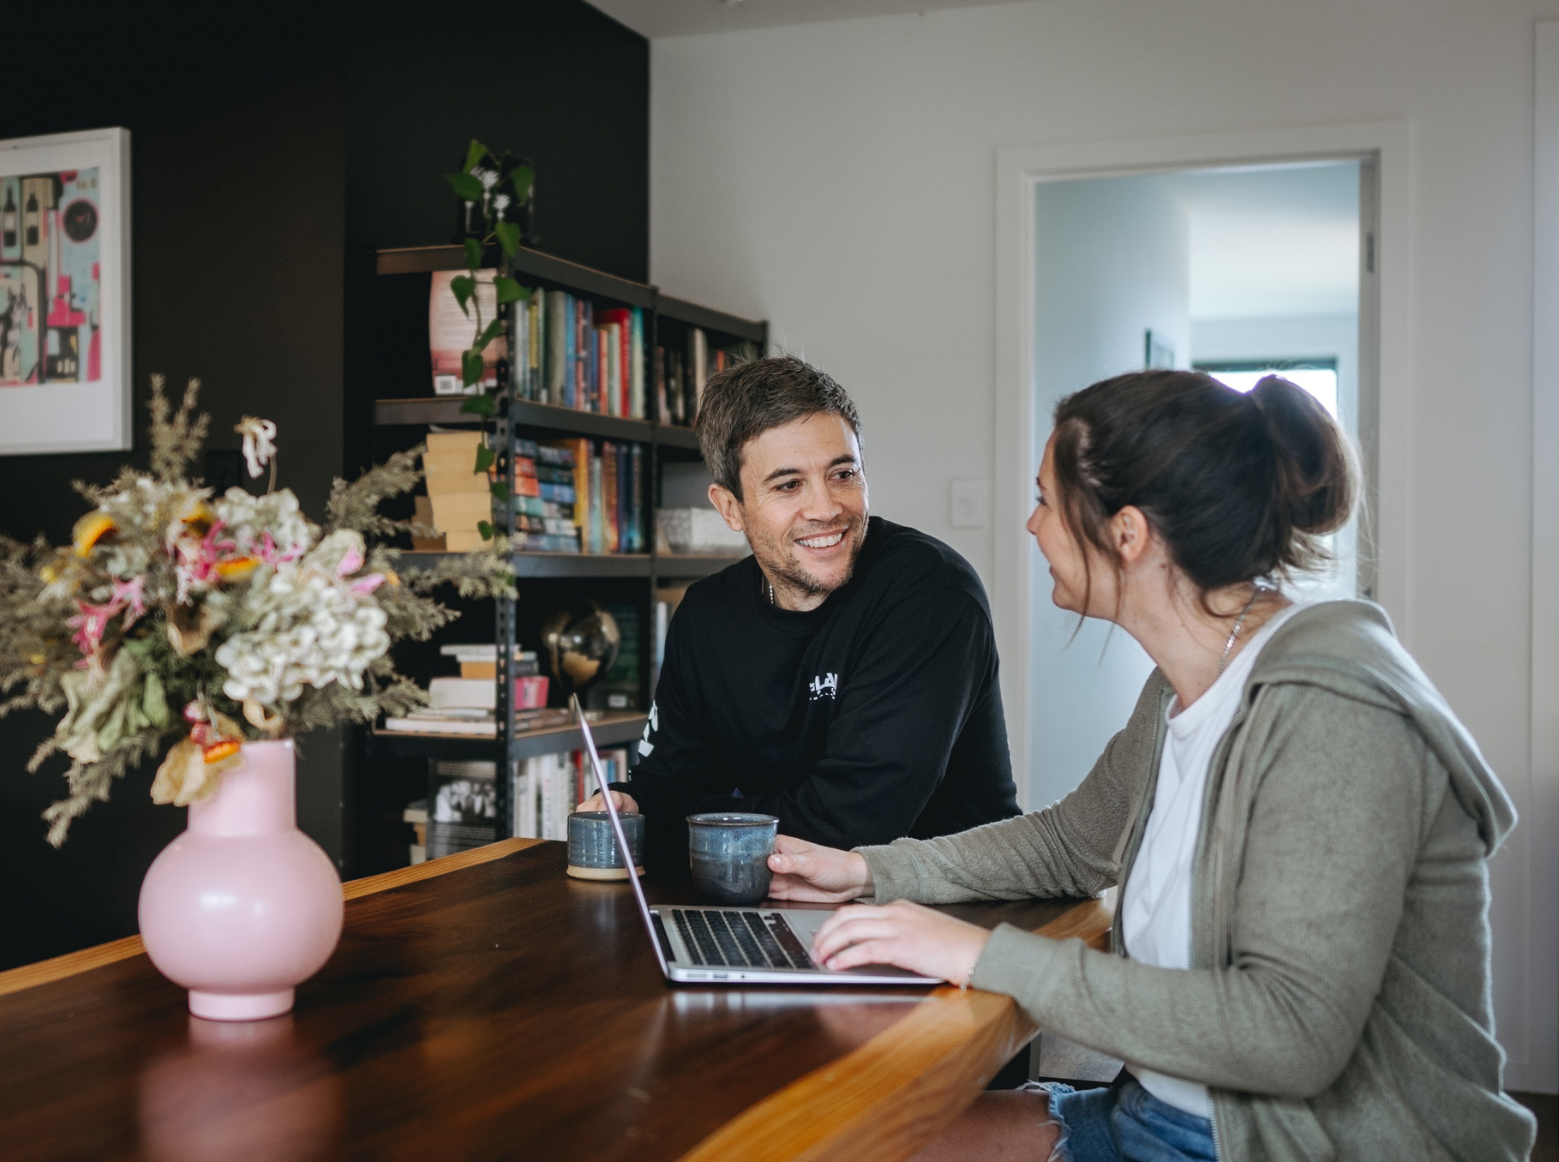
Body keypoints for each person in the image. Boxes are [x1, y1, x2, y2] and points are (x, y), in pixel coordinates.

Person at [766, 369, 1534, 1162]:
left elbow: (1288, 1034)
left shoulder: (1335, 717)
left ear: (1126, 534)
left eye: (1045, 501)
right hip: (1157, 1113)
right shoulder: (1183, 682)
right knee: (836, 1145)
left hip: (1297, 1145)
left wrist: (981, 955)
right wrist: (867, 871)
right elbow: (1072, 844)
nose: (1031, 526)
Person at [580, 355, 1019, 873]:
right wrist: (633, 806)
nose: (826, 508)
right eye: (788, 485)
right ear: (730, 507)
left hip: (949, 903)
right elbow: (670, 786)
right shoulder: (705, 615)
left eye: (843, 474)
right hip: (771, 895)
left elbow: (848, 828)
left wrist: (692, 823)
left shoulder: (930, 593)